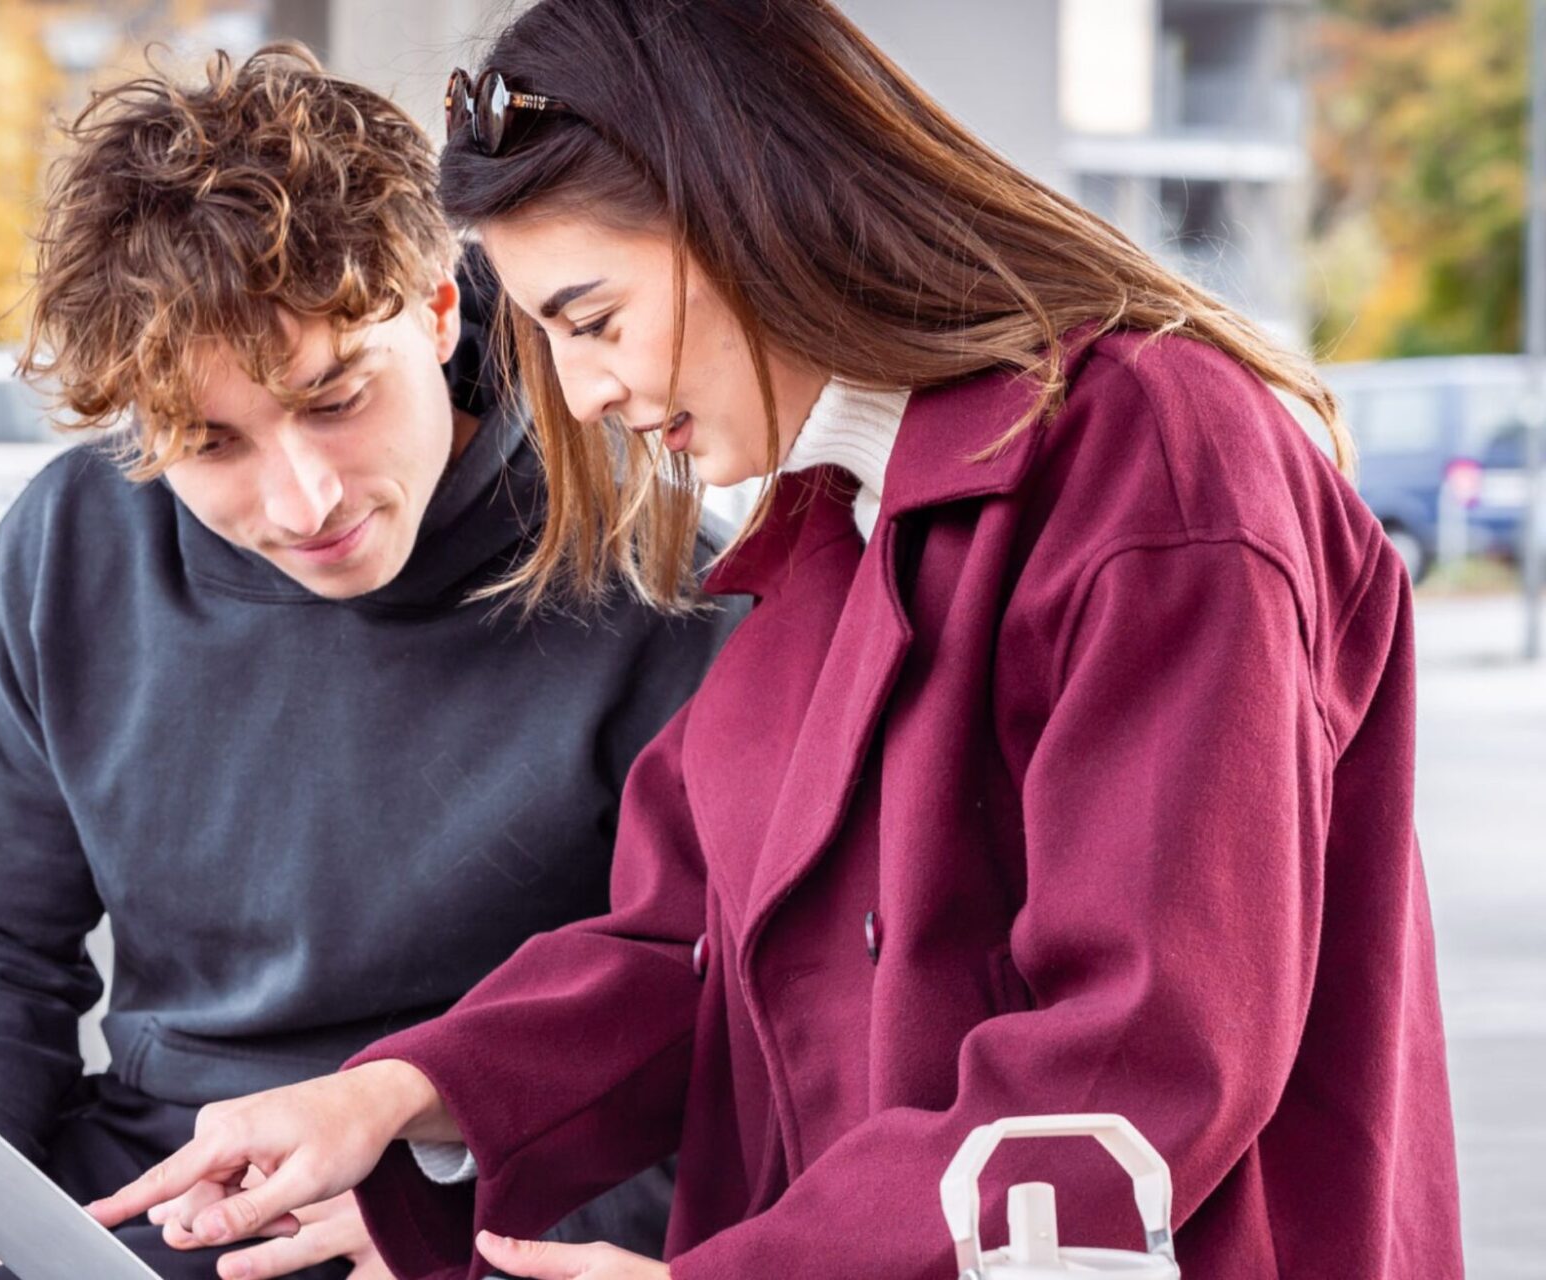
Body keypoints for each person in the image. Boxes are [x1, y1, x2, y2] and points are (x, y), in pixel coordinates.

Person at [86, 3, 1466, 1279]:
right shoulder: (831, 533)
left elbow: (1137, 1063)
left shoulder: (1155, 463)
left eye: (595, 320)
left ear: (755, 208)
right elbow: (683, 949)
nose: (584, 391)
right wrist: (396, 1098)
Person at [0, 44, 735, 1280]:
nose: (303, 498)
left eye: (334, 398)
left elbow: (728, 1037)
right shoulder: (76, 538)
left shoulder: (664, 591)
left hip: (412, 1203)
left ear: (435, 309)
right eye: (209, 441)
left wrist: (472, 1218)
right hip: (119, 1169)